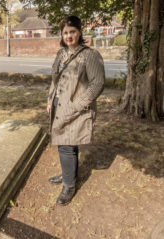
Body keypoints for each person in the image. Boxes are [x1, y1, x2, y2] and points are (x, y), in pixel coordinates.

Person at [47, 16, 105, 205]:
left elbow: (97, 83)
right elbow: (55, 80)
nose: (69, 36)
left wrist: (78, 104)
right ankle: (68, 175)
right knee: (66, 144)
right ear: (62, 35)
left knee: (66, 145)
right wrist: (50, 100)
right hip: (59, 105)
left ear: (79, 32)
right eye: (65, 32)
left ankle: (69, 186)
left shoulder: (90, 55)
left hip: (76, 108)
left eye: (72, 31)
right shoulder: (60, 54)